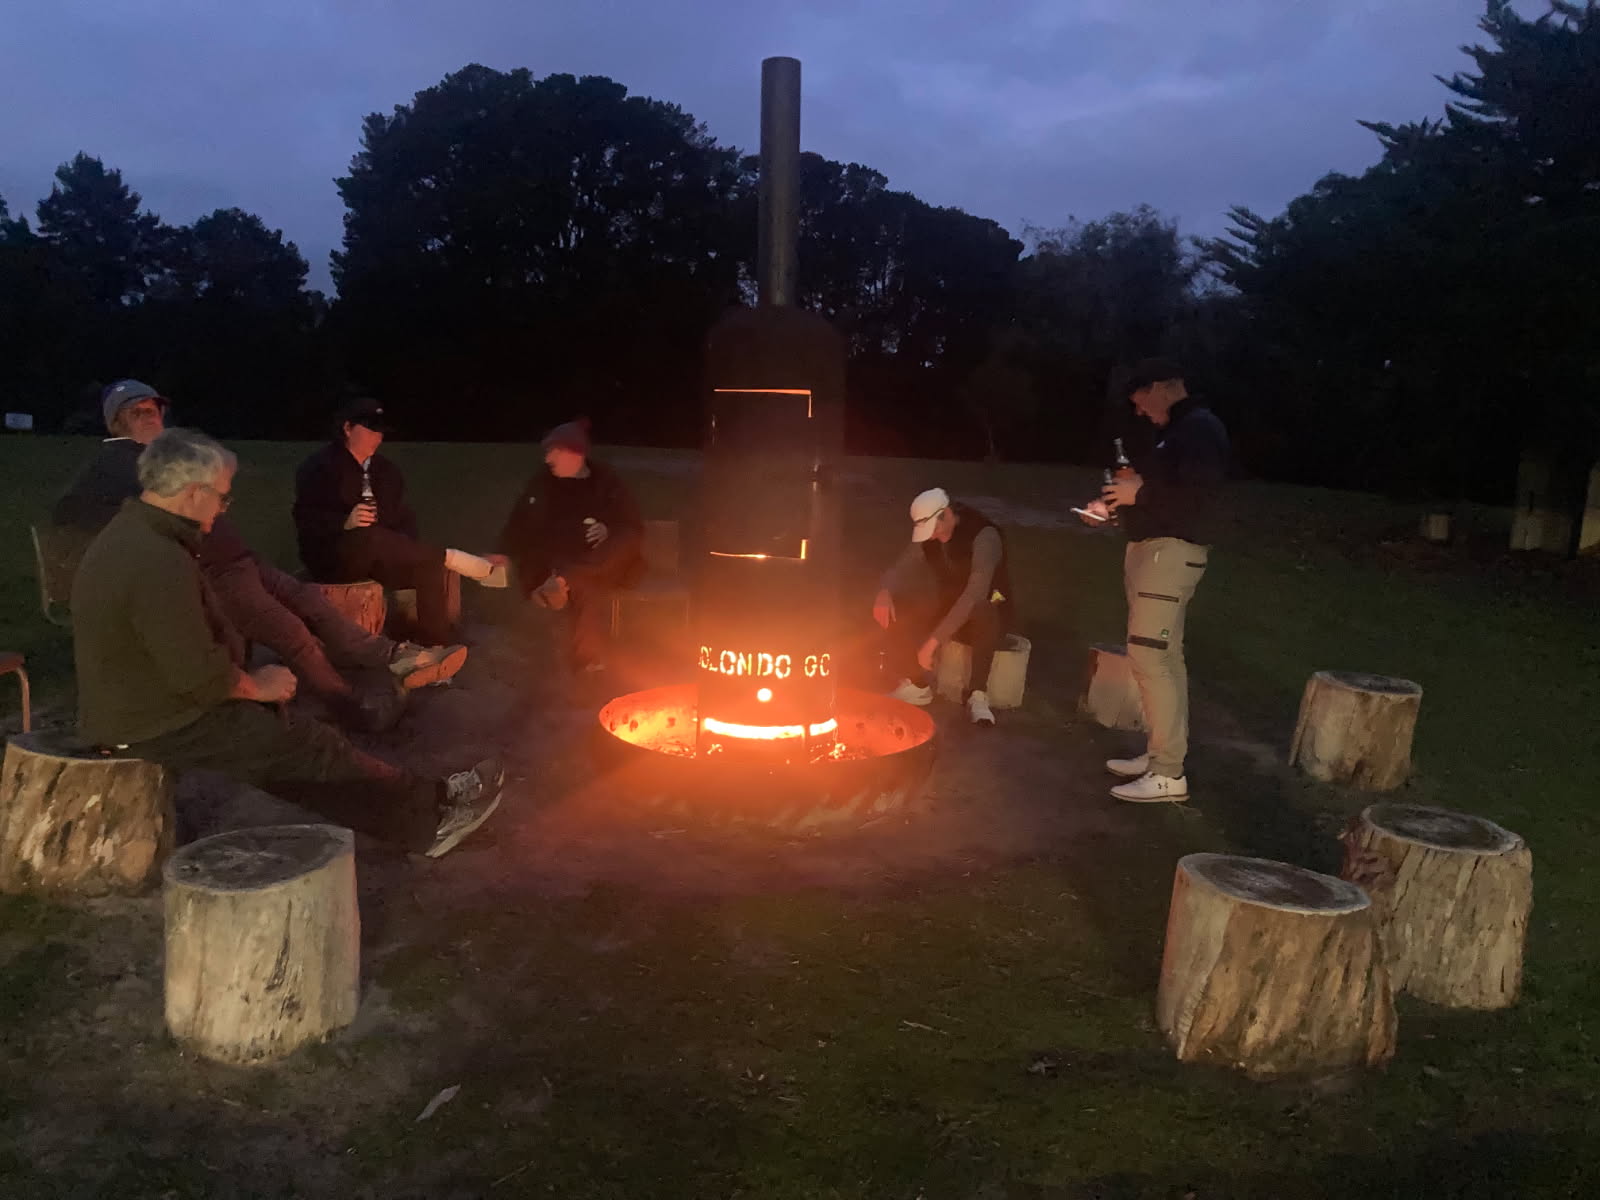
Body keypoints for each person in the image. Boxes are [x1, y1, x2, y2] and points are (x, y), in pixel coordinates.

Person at [70, 427, 503, 857]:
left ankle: (432, 798)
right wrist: (258, 684)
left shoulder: (142, 534)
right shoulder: (157, 561)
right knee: (307, 749)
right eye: (222, 497)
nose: (223, 509)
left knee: (300, 742)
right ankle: (431, 824)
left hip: (155, 701)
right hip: (155, 720)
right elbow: (199, 676)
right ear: (191, 493)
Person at [51, 380, 466, 733]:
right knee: (291, 632)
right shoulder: (116, 462)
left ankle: (397, 656)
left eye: (154, 408)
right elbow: (69, 512)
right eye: (137, 411)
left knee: (312, 603)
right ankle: (348, 707)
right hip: (213, 573)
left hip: (242, 561)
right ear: (116, 422)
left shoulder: (160, 456)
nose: (150, 415)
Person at [1085, 358, 1229, 802]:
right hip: (1154, 550)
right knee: (1166, 659)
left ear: (1164, 386)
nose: (1140, 412)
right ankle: (1161, 755)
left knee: (1149, 658)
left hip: (1171, 554)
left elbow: (1199, 499)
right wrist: (1116, 504)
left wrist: (1140, 493)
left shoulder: (1200, 429)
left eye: (1142, 401)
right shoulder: (1176, 433)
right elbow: (1164, 493)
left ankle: (1168, 773)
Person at [293, 398, 506, 647]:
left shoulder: (386, 471)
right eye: (370, 429)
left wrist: (406, 549)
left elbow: (402, 517)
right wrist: (344, 522)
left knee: (428, 567)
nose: (377, 437)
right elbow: (306, 519)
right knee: (367, 535)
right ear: (348, 428)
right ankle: (452, 556)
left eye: (380, 431)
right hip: (334, 558)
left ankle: (435, 647)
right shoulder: (319, 468)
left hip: (379, 556)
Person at [496, 419, 644, 672]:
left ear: (576, 454)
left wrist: (607, 528)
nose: (548, 459)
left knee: (624, 542)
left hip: (601, 559)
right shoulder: (543, 484)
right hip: (562, 560)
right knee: (587, 585)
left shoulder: (605, 481)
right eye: (548, 452)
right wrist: (503, 551)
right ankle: (588, 660)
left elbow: (629, 523)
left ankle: (562, 583)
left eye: (555, 452)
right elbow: (520, 521)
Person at [873, 487, 1013, 726]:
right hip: (951, 603)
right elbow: (901, 567)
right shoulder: (931, 536)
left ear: (946, 514)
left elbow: (974, 594)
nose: (933, 536)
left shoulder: (984, 536)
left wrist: (933, 642)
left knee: (984, 608)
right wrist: (884, 593)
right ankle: (917, 685)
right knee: (900, 603)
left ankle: (978, 694)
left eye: (934, 528)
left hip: (991, 607)